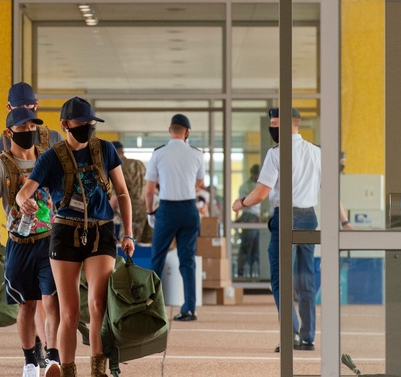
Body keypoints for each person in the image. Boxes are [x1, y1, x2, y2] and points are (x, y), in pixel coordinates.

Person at [15, 96, 135, 377]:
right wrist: (24, 200)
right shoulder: (51, 157)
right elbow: (25, 190)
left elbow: (122, 192)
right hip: (65, 232)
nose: (86, 127)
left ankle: (98, 369)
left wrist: (128, 232)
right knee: (69, 311)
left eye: (90, 123)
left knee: (97, 304)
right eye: (80, 123)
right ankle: (68, 370)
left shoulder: (105, 150)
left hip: (101, 231)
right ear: (65, 124)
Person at [231, 107, 350, 352]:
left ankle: (292, 334)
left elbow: (262, 192)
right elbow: (330, 191)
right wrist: (345, 221)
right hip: (308, 218)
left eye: (275, 123)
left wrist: (241, 203)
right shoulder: (317, 153)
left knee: (280, 279)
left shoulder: (276, 154)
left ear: (287, 125)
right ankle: (307, 337)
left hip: (285, 218)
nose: (272, 127)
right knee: (306, 278)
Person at [0, 107, 61, 377]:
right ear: (9, 133)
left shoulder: (48, 160)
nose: (29, 132)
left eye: (32, 127)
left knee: (52, 300)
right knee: (27, 305)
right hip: (19, 245)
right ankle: (30, 361)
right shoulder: (0, 166)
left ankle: (53, 356)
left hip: (49, 242)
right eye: (22, 128)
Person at [143, 114, 205, 323]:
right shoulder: (197, 154)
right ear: (187, 132)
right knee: (187, 261)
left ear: (171, 130)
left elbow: (149, 190)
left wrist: (150, 212)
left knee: (157, 258)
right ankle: (189, 308)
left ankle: (153, 307)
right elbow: (200, 183)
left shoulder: (159, 154)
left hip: (167, 210)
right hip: (189, 209)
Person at [0, 82, 62, 166]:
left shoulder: (54, 139)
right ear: (8, 108)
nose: (24, 110)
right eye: (19, 106)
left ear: (36, 105)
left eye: (28, 105)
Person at [113, 141, 151, 244]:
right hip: (145, 210)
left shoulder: (118, 167)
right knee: (145, 247)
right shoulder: (139, 163)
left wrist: (108, 213)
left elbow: (116, 196)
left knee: (126, 246)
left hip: (130, 214)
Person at [236, 164, 262, 279]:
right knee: (247, 247)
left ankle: (254, 274)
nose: (257, 176)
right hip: (248, 217)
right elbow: (247, 202)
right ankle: (242, 274)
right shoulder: (246, 186)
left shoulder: (261, 185)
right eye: (255, 174)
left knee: (256, 249)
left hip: (258, 218)